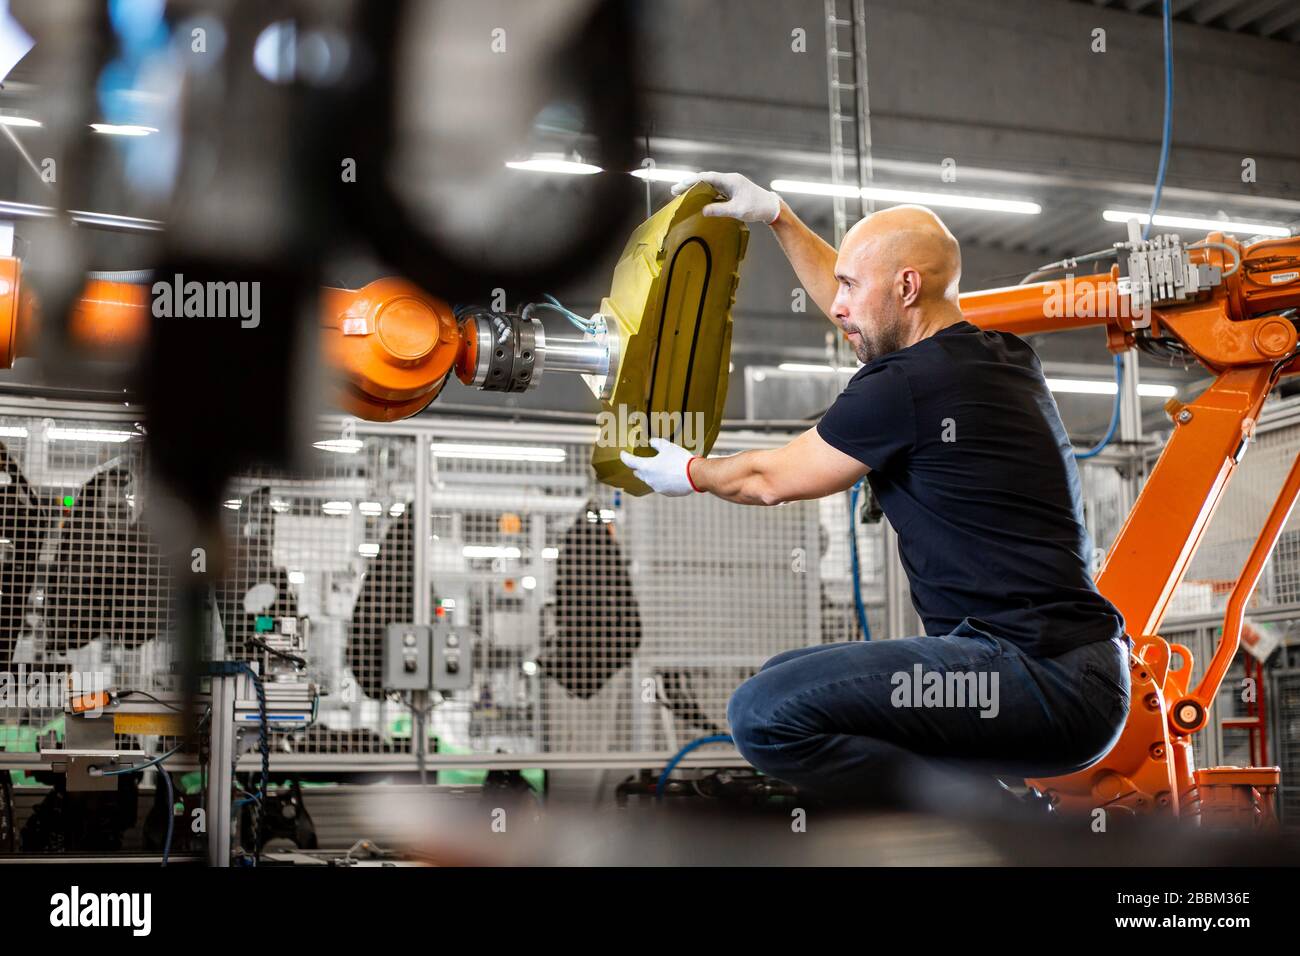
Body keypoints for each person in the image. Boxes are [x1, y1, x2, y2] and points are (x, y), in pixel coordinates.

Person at [619, 172, 1131, 811]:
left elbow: (769, 480)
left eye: (848, 288)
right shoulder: (996, 355)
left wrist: (690, 472)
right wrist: (779, 216)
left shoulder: (909, 385)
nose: (836, 306)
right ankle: (984, 806)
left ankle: (999, 824)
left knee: (762, 712)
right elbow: (871, 313)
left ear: (907, 287)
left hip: (1033, 678)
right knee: (785, 675)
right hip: (1073, 675)